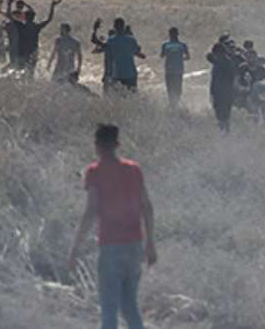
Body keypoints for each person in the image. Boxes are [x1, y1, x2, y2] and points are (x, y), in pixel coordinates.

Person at [67, 123, 157, 329]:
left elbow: (91, 211)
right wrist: (150, 243)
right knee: (129, 307)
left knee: (109, 309)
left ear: (96, 145)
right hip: (135, 244)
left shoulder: (94, 172)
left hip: (111, 247)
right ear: (117, 144)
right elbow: (147, 207)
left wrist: (75, 248)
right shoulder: (134, 170)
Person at [16, 0, 61, 76]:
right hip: (33, 51)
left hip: (22, 51)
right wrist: (52, 7)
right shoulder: (36, 27)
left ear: (24, 17)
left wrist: (10, 4)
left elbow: (10, 16)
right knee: (30, 71)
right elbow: (49, 19)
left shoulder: (21, 26)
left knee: (20, 71)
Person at [208, 35, 240, 133]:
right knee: (223, 114)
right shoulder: (221, 62)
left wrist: (213, 91)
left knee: (223, 114)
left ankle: (224, 131)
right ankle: (224, 130)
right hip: (223, 92)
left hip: (223, 92)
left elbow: (231, 78)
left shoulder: (223, 62)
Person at [102, 22, 142, 93]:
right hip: (131, 73)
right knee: (132, 97)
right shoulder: (131, 40)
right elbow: (137, 51)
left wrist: (107, 74)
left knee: (118, 99)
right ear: (123, 27)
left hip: (117, 74)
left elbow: (108, 59)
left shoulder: (110, 41)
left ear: (114, 27)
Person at [158, 28, 190, 108]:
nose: (172, 35)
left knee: (175, 87)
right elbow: (162, 55)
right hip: (173, 69)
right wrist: (180, 58)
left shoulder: (170, 45)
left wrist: (178, 58)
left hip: (175, 69)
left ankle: (175, 103)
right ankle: (173, 104)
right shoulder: (179, 45)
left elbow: (162, 56)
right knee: (172, 87)